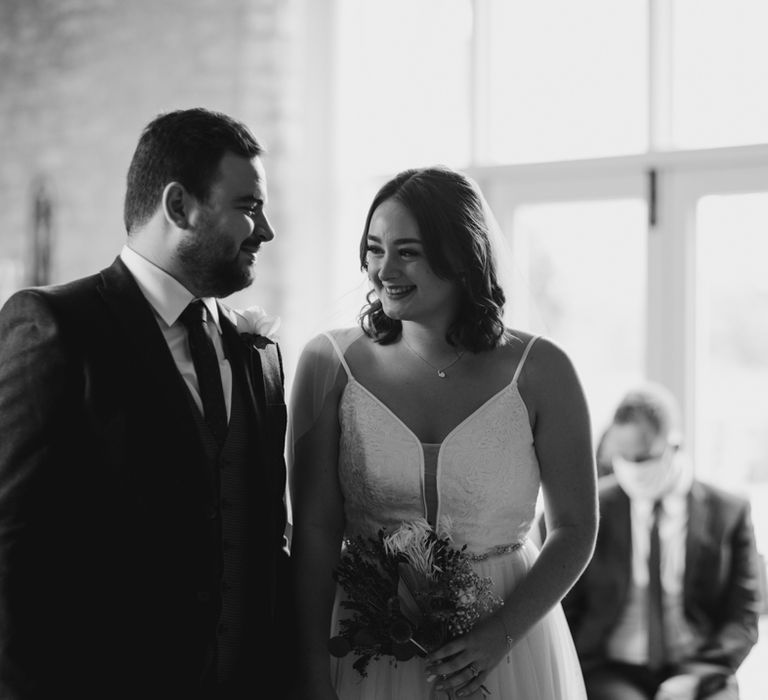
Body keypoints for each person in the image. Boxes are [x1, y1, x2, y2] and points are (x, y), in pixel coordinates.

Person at [0, 107, 291, 699]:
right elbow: (10, 555)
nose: (265, 231)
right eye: (248, 206)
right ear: (179, 206)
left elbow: (263, 538)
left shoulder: (256, 352)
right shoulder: (56, 326)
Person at [288, 165, 598, 699]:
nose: (384, 270)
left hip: (507, 638)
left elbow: (575, 527)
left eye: (407, 251)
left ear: (460, 256)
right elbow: (313, 533)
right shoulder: (328, 363)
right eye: (374, 248)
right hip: (365, 646)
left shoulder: (544, 370)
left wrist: (499, 636)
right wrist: (313, 673)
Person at [561, 382, 762, 700]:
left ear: (674, 445)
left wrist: (695, 678)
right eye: (622, 457)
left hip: (698, 665)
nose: (632, 468)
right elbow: (565, 609)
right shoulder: (590, 511)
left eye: (643, 457)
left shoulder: (729, 512)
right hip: (610, 667)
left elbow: (743, 617)